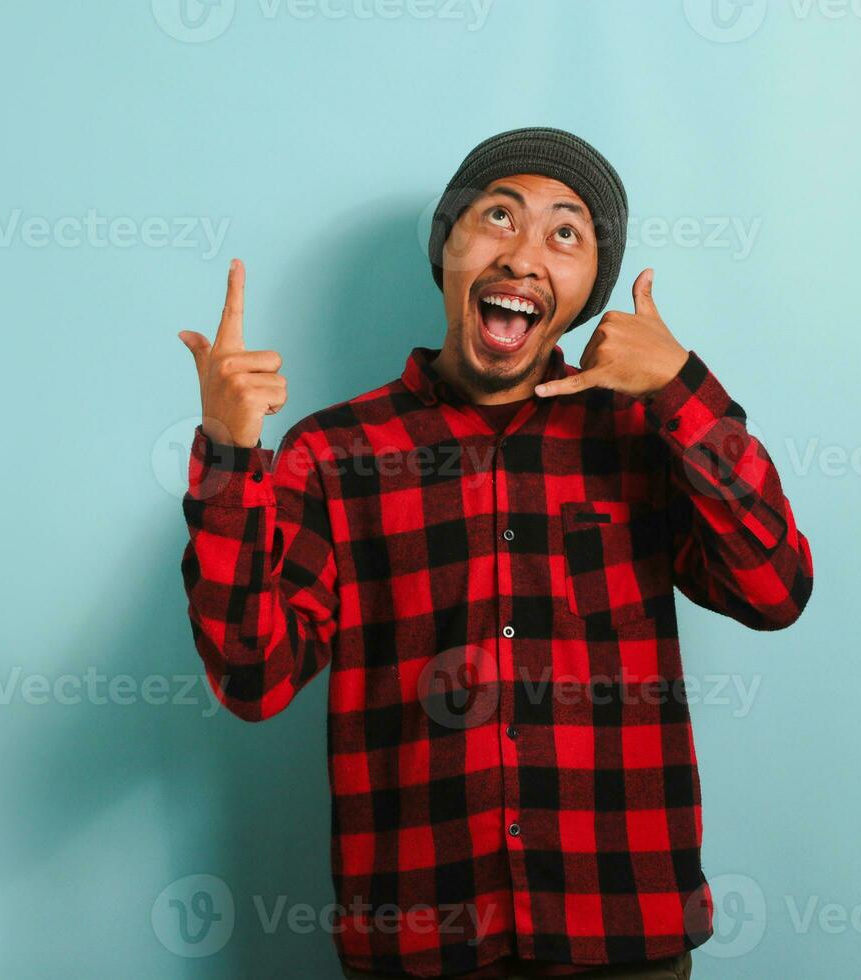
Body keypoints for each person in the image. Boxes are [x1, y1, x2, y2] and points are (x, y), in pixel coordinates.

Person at [177, 126, 814, 979]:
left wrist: (682, 388)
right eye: (498, 216)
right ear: (448, 248)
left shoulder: (642, 433)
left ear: (589, 291)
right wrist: (228, 453)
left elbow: (775, 590)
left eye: (565, 233)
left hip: (620, 930)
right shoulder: (331, 454)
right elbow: (252, 678)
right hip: (421, 942)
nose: (523, 254)